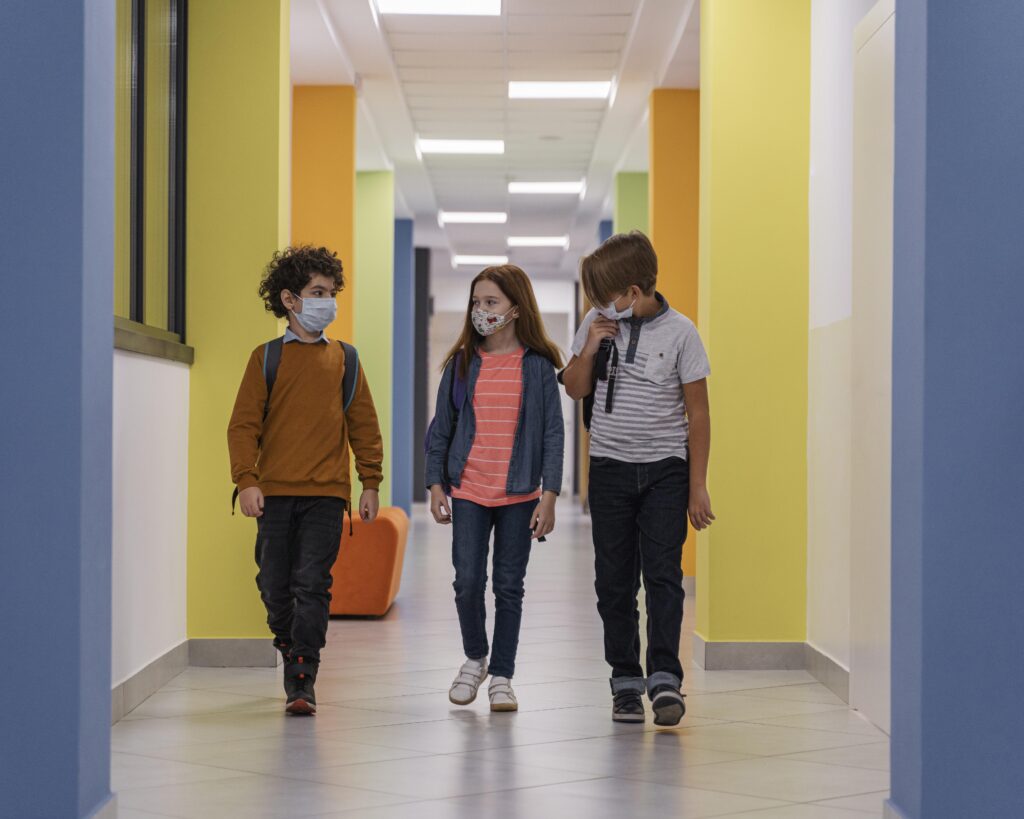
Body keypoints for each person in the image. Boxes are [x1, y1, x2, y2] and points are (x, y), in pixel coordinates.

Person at [560, 230, 714, 726]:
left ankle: (665, 677)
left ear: (633, 290)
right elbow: (574, 388)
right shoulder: (595, 323)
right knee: (614, 582)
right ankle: (625, 680)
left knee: (664, 576)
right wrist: (590, 347)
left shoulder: (682, 333)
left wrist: (697, 485)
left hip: (666, 471)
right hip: (609, 470)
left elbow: (698, 413)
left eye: (605, 296)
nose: (599, 305)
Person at [228, 245, 383, 715]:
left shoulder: (346, 359)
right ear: (289, 299)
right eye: (317, 292)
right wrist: (247, 480)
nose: (327, 301)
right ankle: (288, 642)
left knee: (312, 583)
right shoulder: (266, 358)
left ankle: (302, 674)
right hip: (274, 494)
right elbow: (243, 426)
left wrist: (370, 482)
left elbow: (364, 425)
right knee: (274, 584)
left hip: (327, 495)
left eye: (331, 292)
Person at [426, 265, 565, 712]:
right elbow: (441, 429)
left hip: (519, 495)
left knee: (508, 586)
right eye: (476, 302)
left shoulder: (538, 367)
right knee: (467, 581)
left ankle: (502, 674)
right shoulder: (462, 365)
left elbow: (553, 434)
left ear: (516, 309)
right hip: (468, 490)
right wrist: (435, 483)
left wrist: (550, 495)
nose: (481, 310)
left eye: (491, 302)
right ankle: (475, 658)